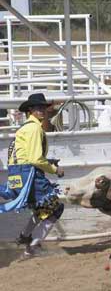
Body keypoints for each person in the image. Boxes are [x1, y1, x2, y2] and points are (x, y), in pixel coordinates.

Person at [0, 93, 65, 258]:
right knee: (55, 208)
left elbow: (25, 155)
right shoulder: (35, 128)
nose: (41, 110)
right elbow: (35, 158)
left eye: (43, 107)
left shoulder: (24, 128)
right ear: (30, 110)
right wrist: (54, 169)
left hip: (16, 174)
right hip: (29, 174)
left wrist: (46, 161)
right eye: (38, 107)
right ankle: (31, 248)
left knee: (42, 208)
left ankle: (24, 237)